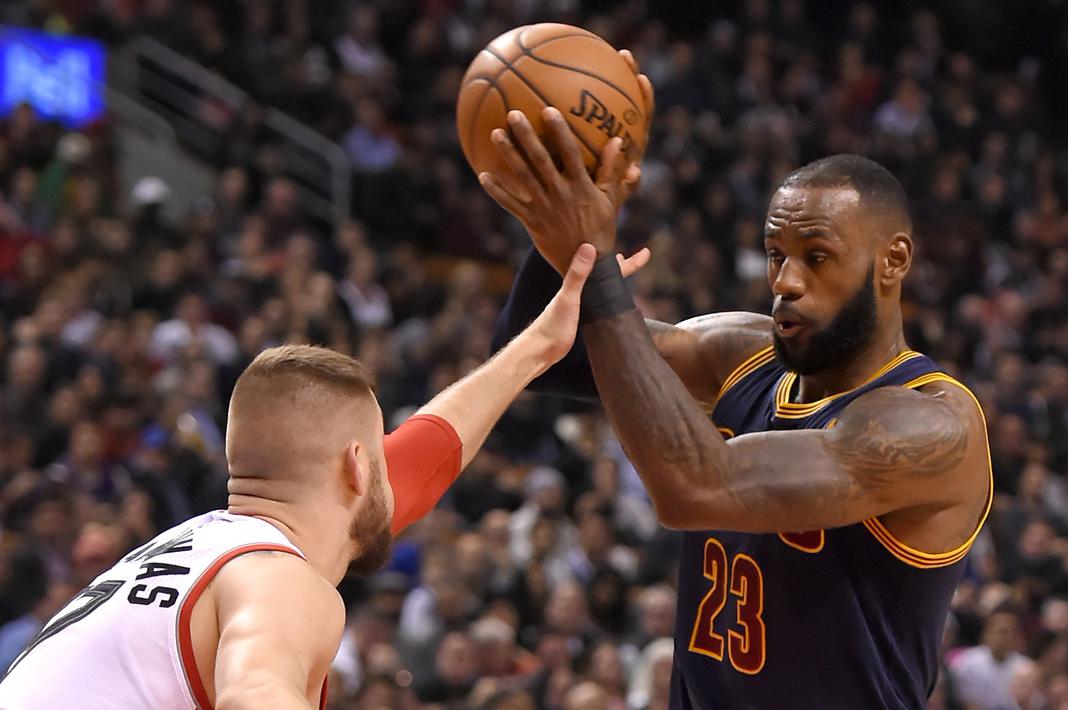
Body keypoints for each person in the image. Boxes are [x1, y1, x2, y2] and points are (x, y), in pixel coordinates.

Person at [487, 59, 992, 708]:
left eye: (816, 256)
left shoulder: (930, 426)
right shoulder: (738, 353)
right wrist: (563, 231)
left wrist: (600, 265)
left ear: (892, 260)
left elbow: (694, 487)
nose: (784, 279)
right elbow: (540, 355)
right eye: (775, 254)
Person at [0, 245, 637, 709]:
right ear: (358, 466)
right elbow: (255, 694)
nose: (394, 471)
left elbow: (423, 458)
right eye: (380, 455)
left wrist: (538, 347)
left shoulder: (204, 548)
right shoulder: (281, 580)